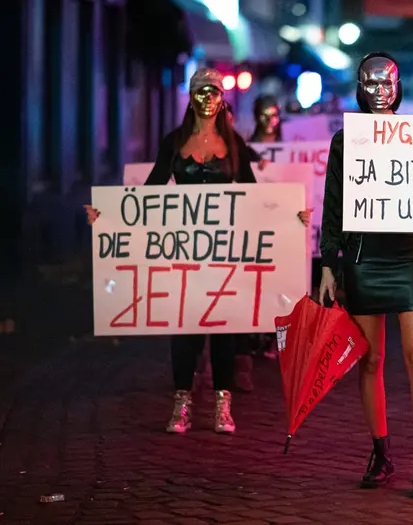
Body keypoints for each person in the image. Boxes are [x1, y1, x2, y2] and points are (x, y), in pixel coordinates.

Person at [85, 68, 310, 433]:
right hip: (185, 252)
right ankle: (181, 404)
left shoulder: (234, 144)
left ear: (223, 100)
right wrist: (107, 216)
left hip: (224, 253)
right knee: (185, 329)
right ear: (190, 97)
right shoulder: (173, 142)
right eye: (201, 92)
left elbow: (255, 195)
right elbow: (152, 190)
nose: (208, 99)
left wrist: (291, 217)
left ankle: (223, 406)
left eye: (214, 93)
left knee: (224, 329)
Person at [318, 52, 413, 498]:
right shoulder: (346, 141)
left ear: (399, 86)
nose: (379, 92)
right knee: (369, 360)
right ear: (359, 88)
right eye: (370, 84)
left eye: (386, 83)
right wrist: (328, 264)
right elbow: (333, 205)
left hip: (411, 255)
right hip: (364, 258)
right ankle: (381, 452)